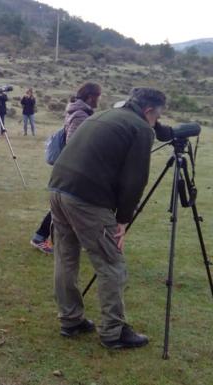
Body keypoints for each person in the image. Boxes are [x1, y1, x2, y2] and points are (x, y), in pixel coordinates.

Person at [49, 87, 168, 349]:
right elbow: (134, 180)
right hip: (86, 198)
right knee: (111, 264)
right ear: (149, 111)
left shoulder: (104, 115)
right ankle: (113, 332)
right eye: (157, 117)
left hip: (58, 188)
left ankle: (70, 320)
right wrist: (123, 220)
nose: (156, 122)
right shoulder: (140, 128)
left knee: (66, 257)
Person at [31, 82, 102, 254]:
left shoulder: (79, 111)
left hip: (72, 168)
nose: (99, 100)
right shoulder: (80, 114)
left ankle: (43, 237)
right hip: (74, 169)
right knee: (69, 206)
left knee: (67, 206)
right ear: (90, 96)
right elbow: (74, 144)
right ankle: (40, 237)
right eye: (98, 96)